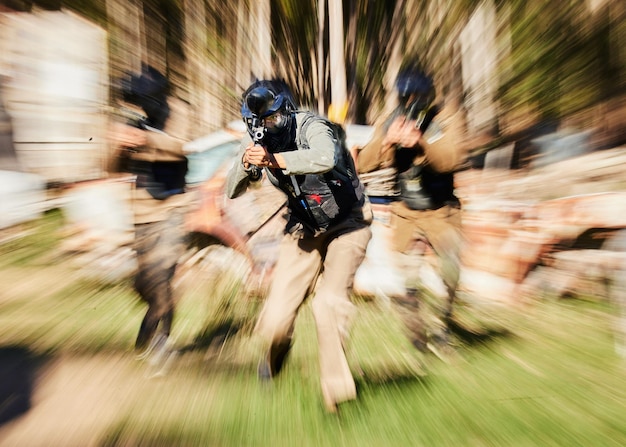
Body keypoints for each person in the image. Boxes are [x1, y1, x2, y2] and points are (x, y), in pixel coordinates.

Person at [226, 79, 372, 412]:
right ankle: (275, 359)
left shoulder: (313, 126)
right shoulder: (257, 139)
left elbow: (324, 157)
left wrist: (274, 161)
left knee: (328, 305)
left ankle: (336, 396)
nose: (269, 127)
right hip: (304, 230)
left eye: (274, 119)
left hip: (349, 223)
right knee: (276, 319)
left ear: (286, 109)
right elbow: (232, 189)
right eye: (261, 124)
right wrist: (248, 166)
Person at [356, 66, 464, 357]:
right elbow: (363, 164)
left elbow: (450, 160)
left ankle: (443, 328)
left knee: (451, 272)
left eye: (418, 96)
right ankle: (418, 337)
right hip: (407, 211)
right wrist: (387, 140)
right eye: (407, 96)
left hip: (441, 210)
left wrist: (421, 142)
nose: (412, 101)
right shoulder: (391, 119)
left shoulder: (445, 119)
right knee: (407, 279)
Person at [109, 65, 192, 363]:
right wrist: (119, 146)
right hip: (141, 213)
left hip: (171, 209)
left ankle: (162, 341)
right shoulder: (132, 116)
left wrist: (146, 141)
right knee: (141, 284)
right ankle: (154, 317)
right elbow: (114, 166)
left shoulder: (178, 111)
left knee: (161, 277)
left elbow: (182, 148)